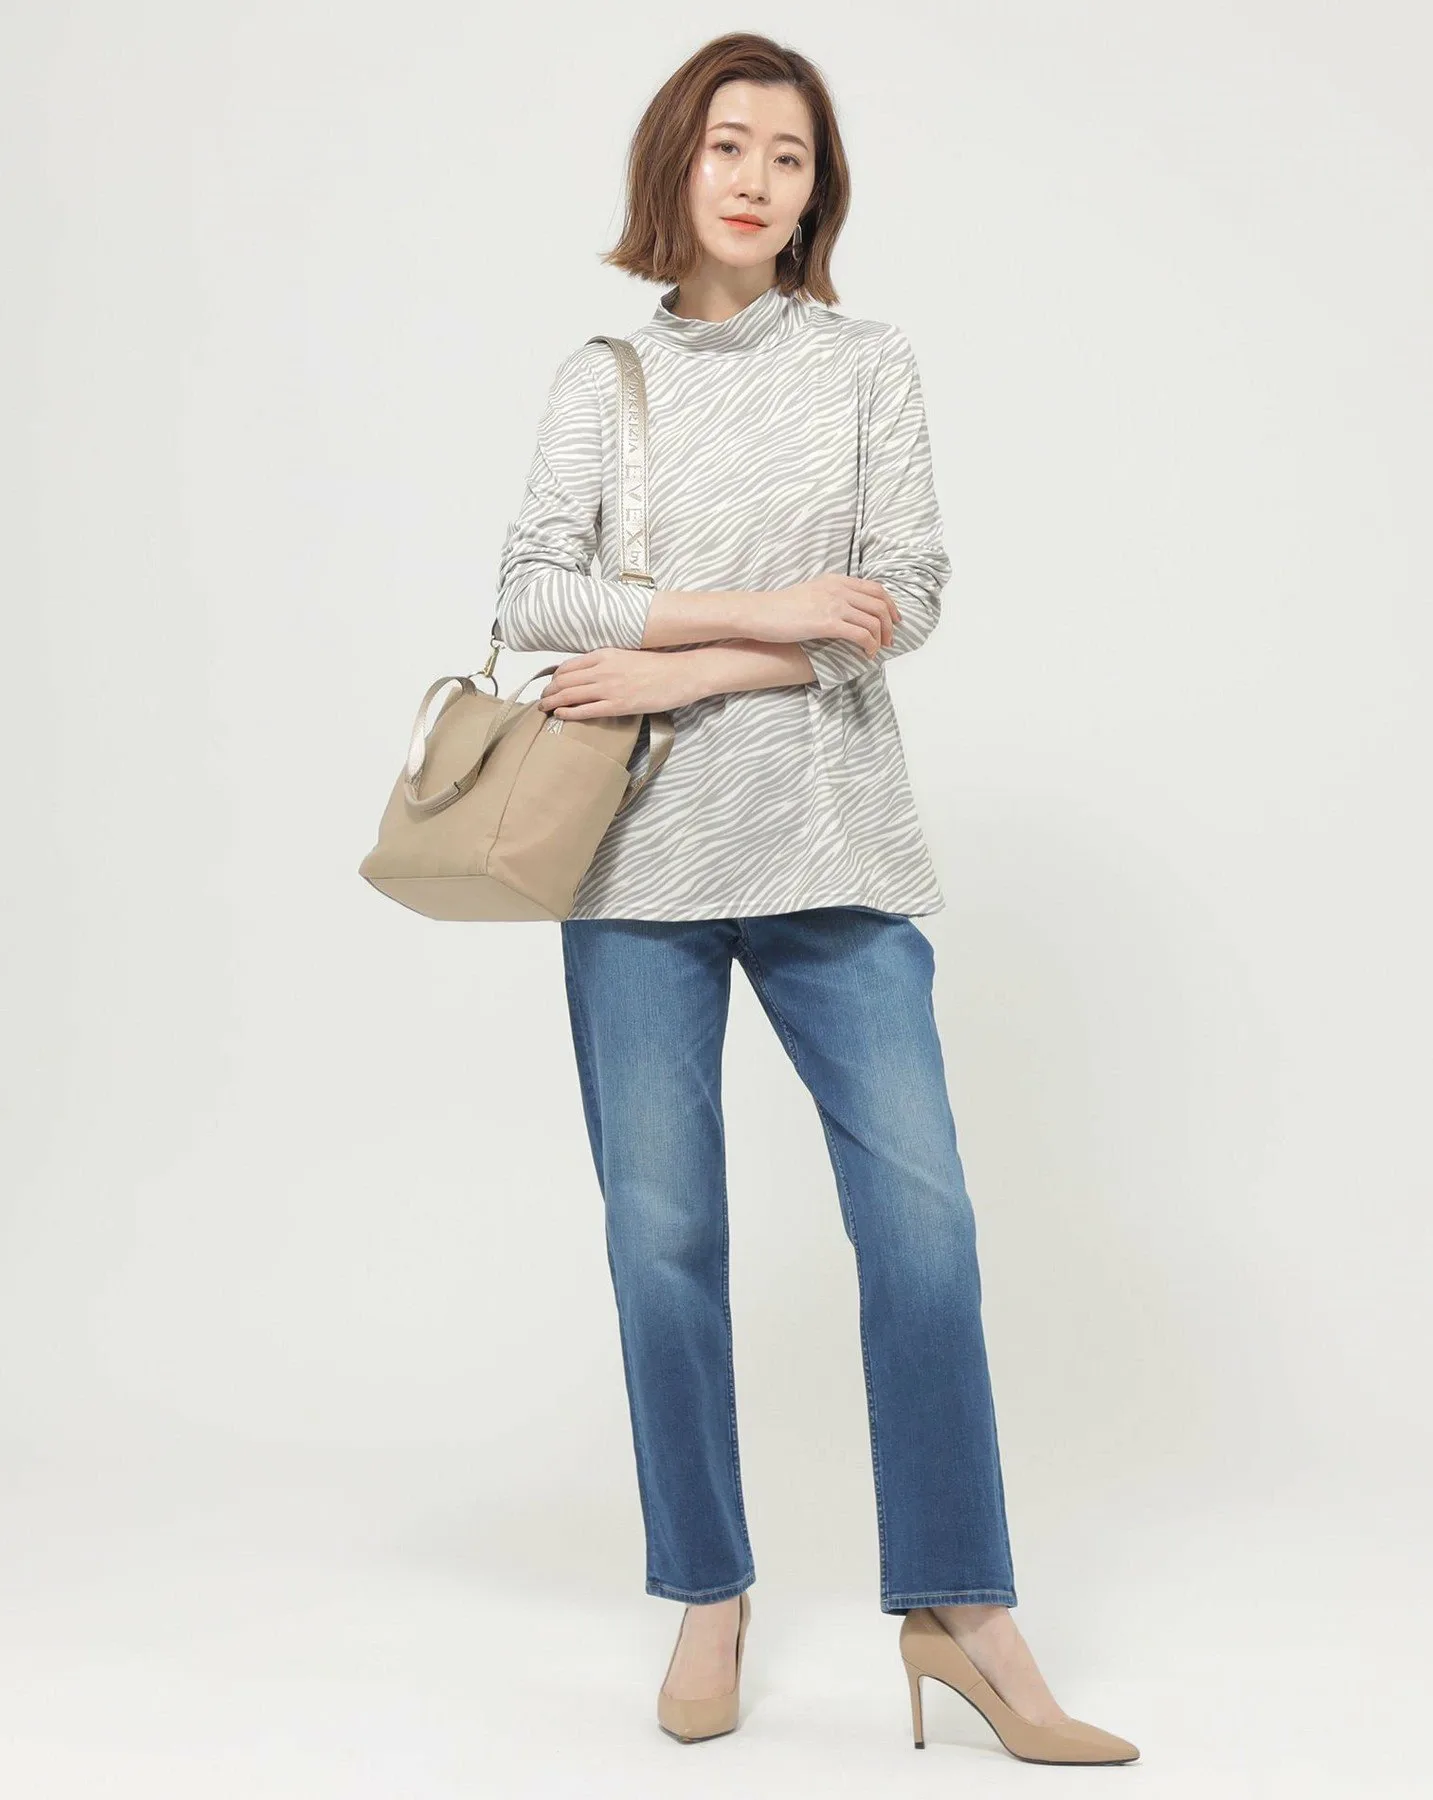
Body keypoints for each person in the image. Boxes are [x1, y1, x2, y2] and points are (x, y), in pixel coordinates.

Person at [491, 31, 1140, 1766]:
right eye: (729, 145)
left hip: (835, 852)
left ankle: (961, 1609)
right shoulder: (604, 377)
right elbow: (534, 591)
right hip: (635, 869)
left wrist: (688, 659)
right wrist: (771, 613)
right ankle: (707, 1589)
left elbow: (900, 597)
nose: (756, 178)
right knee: (663, 1241)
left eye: (789, 156)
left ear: (815, 192)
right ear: (676, 164)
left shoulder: (867, 365)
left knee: (924, 1231)